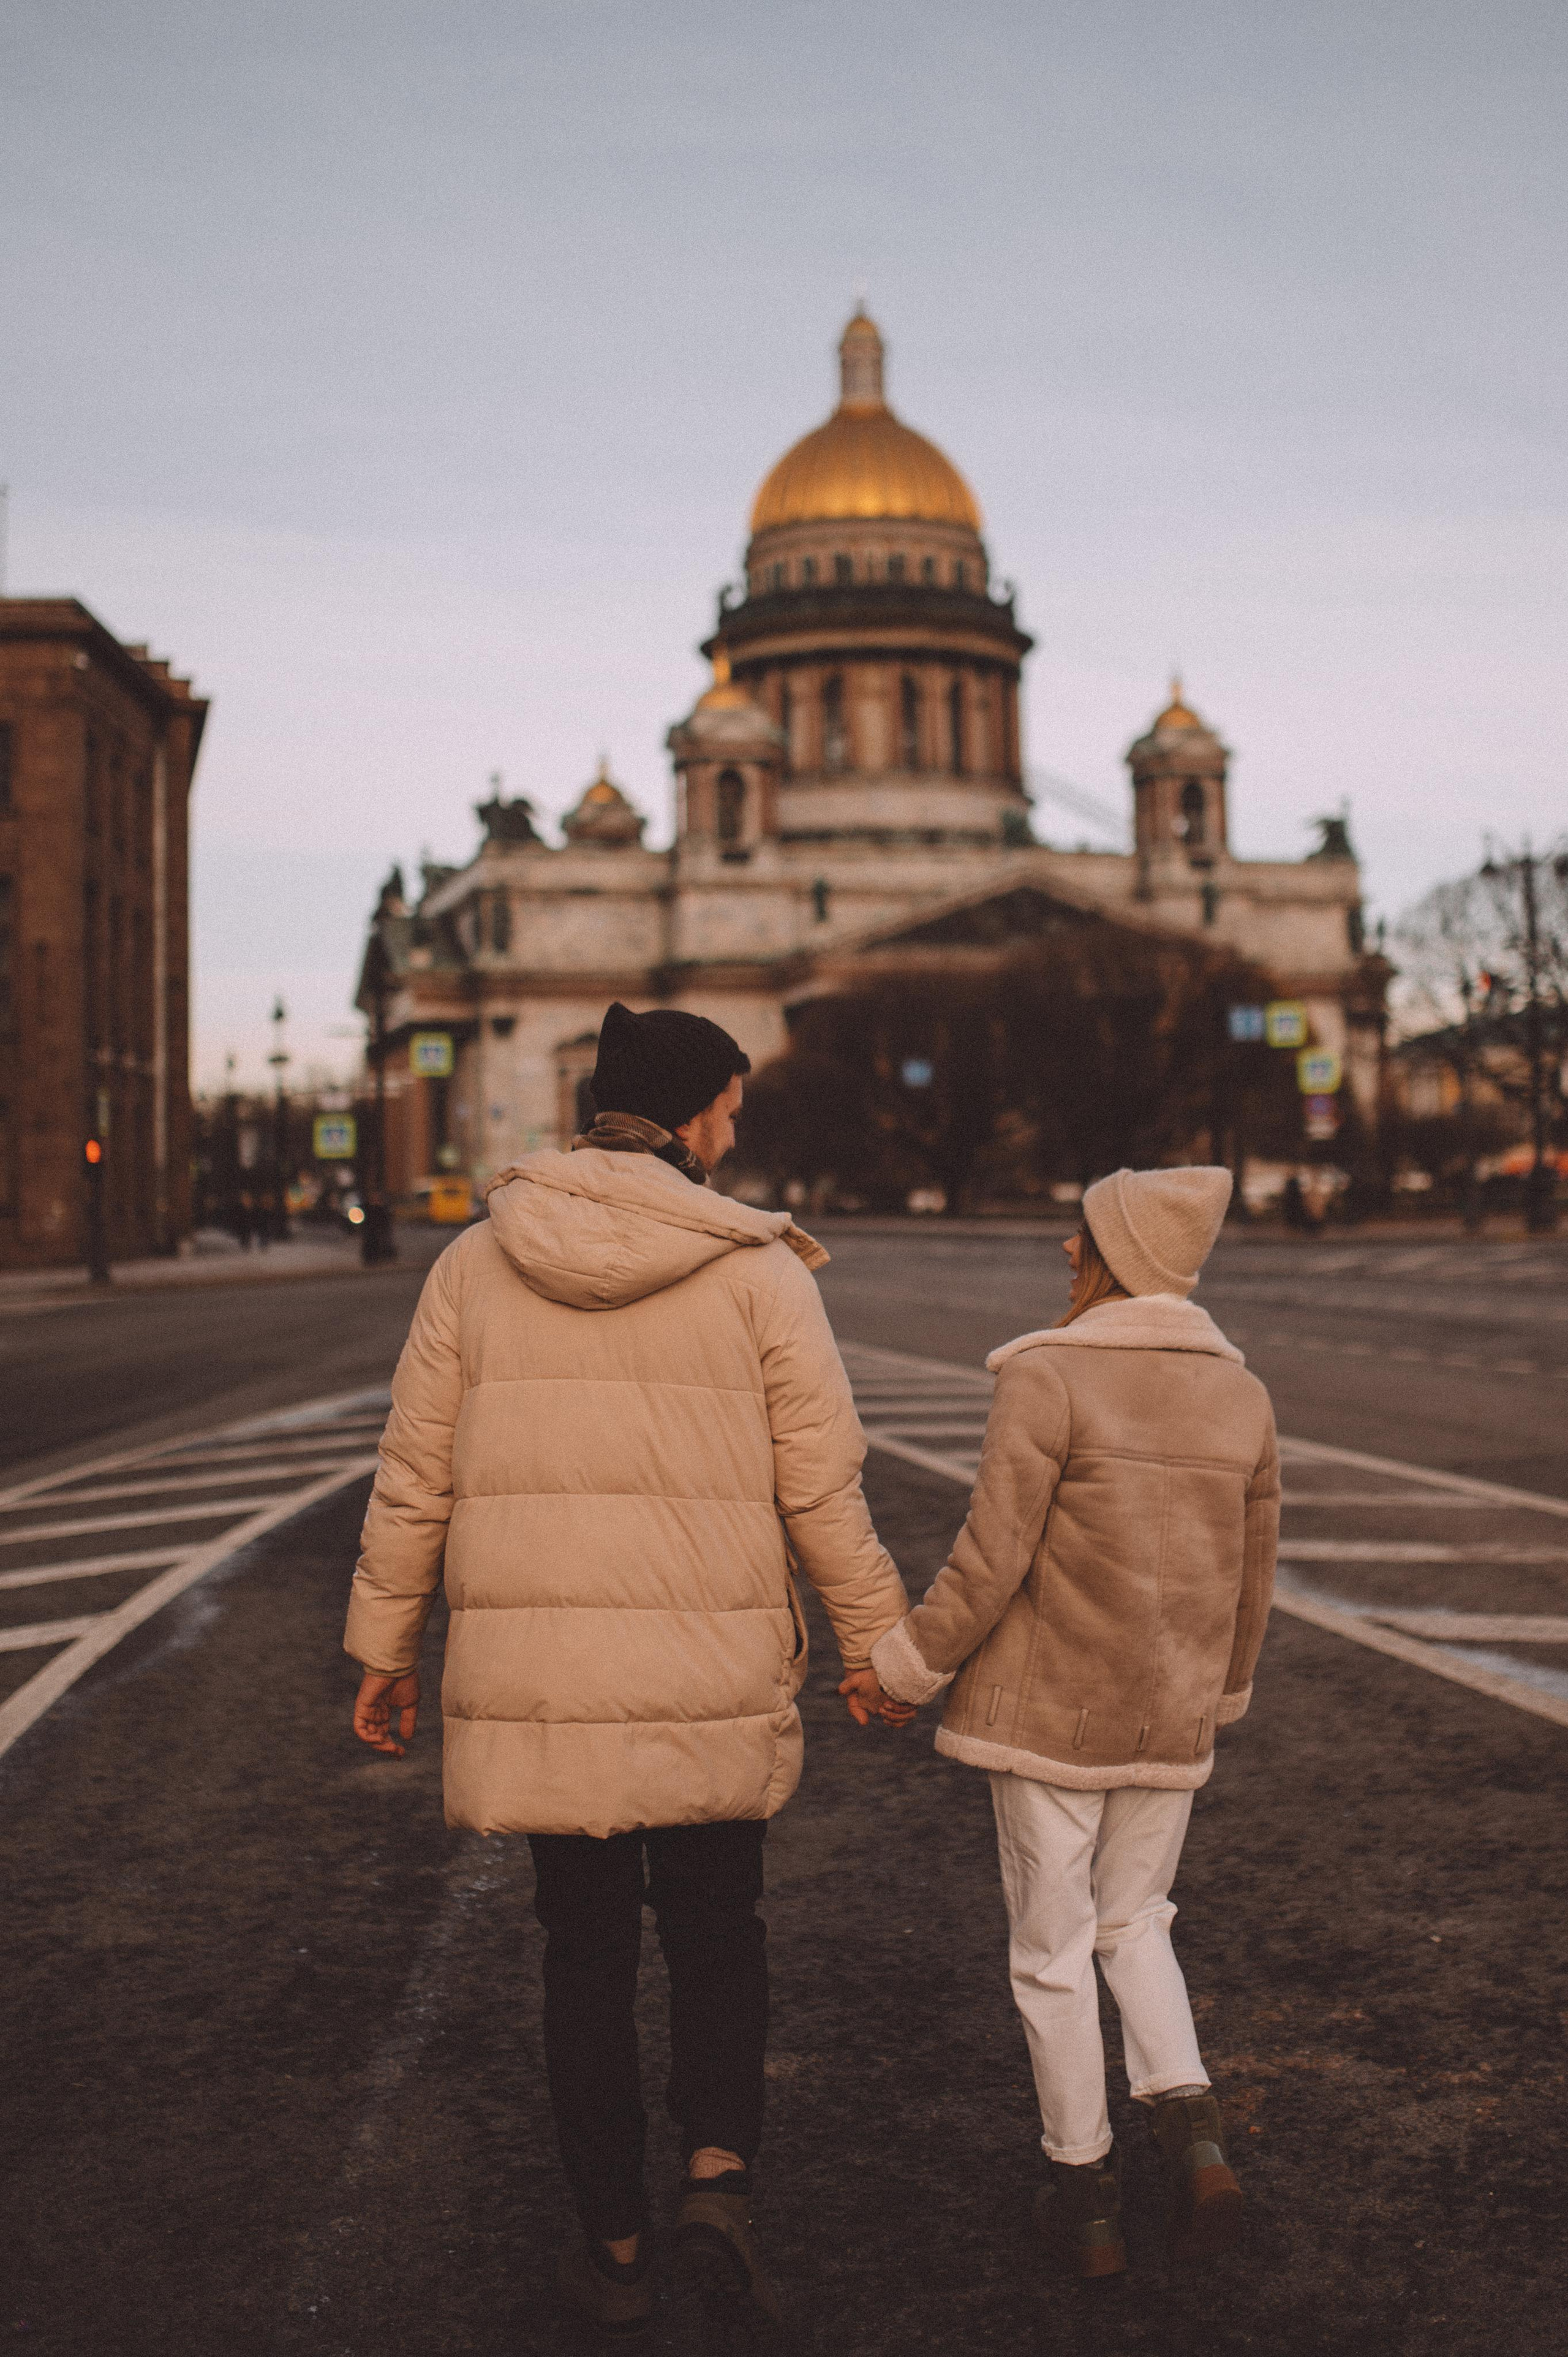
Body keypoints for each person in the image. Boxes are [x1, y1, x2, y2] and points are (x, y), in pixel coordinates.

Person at [344, 1001, 908, 2333]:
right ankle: (717, 2184)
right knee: (719, 1937)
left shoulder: (476, 1265)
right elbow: (822, 1491)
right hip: (709, 1670)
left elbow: (413, 1477)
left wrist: (384, 1648)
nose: (737, 1126)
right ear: (694, 1113)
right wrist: (879, 1652)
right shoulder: (760, 1268)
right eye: (730, 1104)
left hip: (545, 1688)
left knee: (582, 1955)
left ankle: (610, 2242)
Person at [858, 1165, 1280, 2279]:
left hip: (1049, 1715)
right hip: (1170, 1713)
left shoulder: (1049, 1377)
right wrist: (1220, 1693)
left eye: (1081, 1233)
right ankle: (1195, 2146)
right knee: (1136, 1923)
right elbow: (1253, 1579)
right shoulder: (1243, 1396)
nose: (1064, 1250)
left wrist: (902, 1667)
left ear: (1120, 1254)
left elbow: (990, 1562)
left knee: (1050, 1954)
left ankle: (1084, 2191)